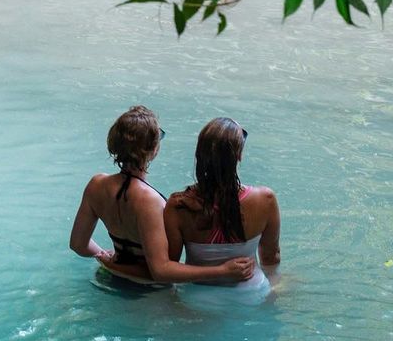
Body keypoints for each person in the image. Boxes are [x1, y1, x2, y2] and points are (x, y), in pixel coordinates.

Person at [69, 106, 255, 285]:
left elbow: (78, 244)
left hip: (109, 274)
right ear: (153, 149)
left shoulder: (96, 185)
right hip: (146, 291)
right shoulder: (150, 201)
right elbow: (160, 271)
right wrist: (223, 270)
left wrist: (106, 258)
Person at [164, 117, 280, 298]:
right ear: (239, 156)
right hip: (252, 296)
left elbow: (169, 266)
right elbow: (271, 259)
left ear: (198, 155)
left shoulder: (178, 205)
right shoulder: (265, 199)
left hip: (197, 299)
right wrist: (273, 290)